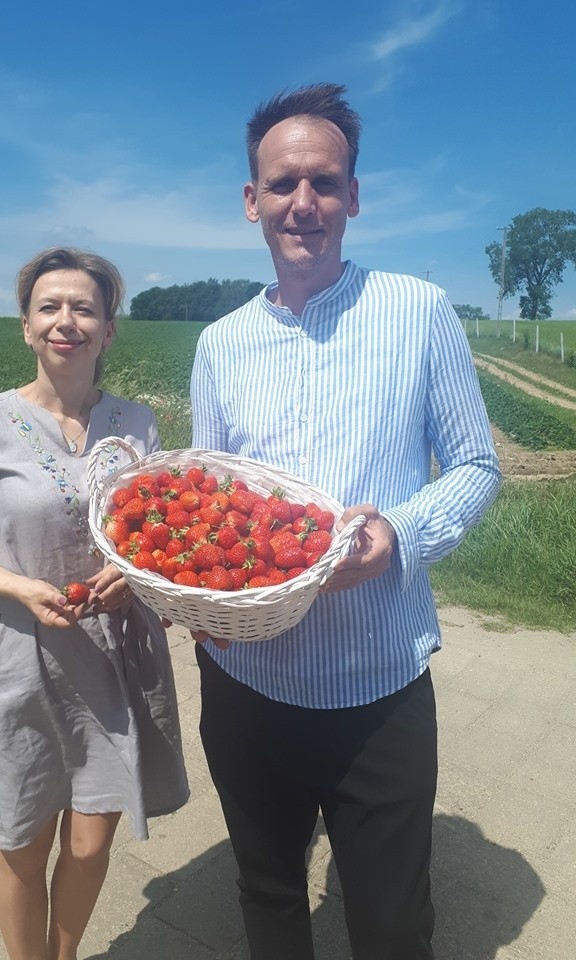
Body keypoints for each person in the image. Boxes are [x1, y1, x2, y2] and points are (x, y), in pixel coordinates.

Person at [189, 83, 501, 960]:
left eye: (325, 182)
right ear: (252, 201)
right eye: (282, 184)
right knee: (269, 895)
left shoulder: (418, 312)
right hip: (247, 681)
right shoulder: (220, 343)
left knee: (394, 922)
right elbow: (210, 498)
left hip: (379, 678)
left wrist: (400, 533)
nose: (304, 203)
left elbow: (477, 467)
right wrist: (190, 601)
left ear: (354, 196)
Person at [0, 247, 189, 960]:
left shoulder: (138, 424)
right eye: (50, 307)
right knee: (24, 844)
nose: (67, 320)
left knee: (92, 845)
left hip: (120, 656)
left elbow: (156, 533)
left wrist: (139, 577)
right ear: (27, 327)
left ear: (108, 329)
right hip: (26, 658)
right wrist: (14, 584)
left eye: (85, 308)